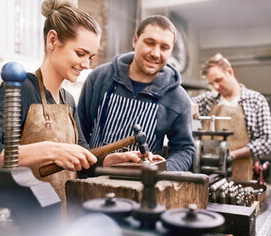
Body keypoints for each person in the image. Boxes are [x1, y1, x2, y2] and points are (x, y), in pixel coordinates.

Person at [0, 0, 154, 188]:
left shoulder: (67, 101)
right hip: (21, 218)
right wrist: (50, 150)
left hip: (60, 216)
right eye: (80, 53)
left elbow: (83, 157)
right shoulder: (21, 90)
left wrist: (112, 161)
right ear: (52, 40)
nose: (86, 64)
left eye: (90, 57)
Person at [77, 15, 195, 171]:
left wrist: (163, 170)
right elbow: (79, 134)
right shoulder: (100, 78)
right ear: (135, 41)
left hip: (141, 189)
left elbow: (184, 150)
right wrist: (93, 163)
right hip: (90, 181)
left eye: (164, 47)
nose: (155, 53)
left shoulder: (178, 99)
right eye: (149, 43)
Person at [192, 53, 271, 180]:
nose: (216, 87)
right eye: (211, 83)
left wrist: (233, 155)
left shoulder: (255, 100)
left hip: (241, 171)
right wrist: (189, 104)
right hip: (207, 170)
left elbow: (267, 140)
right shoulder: (208, 99)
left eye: (218, 80)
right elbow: (181, 103)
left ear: (230, 72)